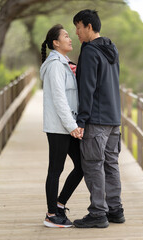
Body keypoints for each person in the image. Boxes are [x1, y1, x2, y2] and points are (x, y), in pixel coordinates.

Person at [72, 9, 125, 228]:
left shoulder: (90, 51)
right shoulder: (111, 48)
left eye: (78, 27)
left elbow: (88, 89)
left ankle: (98, 213)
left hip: (96, 119)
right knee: (111, 164)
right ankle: (116, 210)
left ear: (89, 27)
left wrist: (81, 120)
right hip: (113, 118)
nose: (76, 32)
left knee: (93, 165)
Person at [40, 24, 83, 228]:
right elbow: (59, 98)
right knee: (55, 169)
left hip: (67, 125)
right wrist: (71, 125)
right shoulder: (56, 64)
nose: (70, 38)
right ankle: (51, 215)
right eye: (66, 36)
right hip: (59, 126)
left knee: (82, 165)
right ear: (55, 42)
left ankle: (59, 204)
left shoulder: (64, 62)